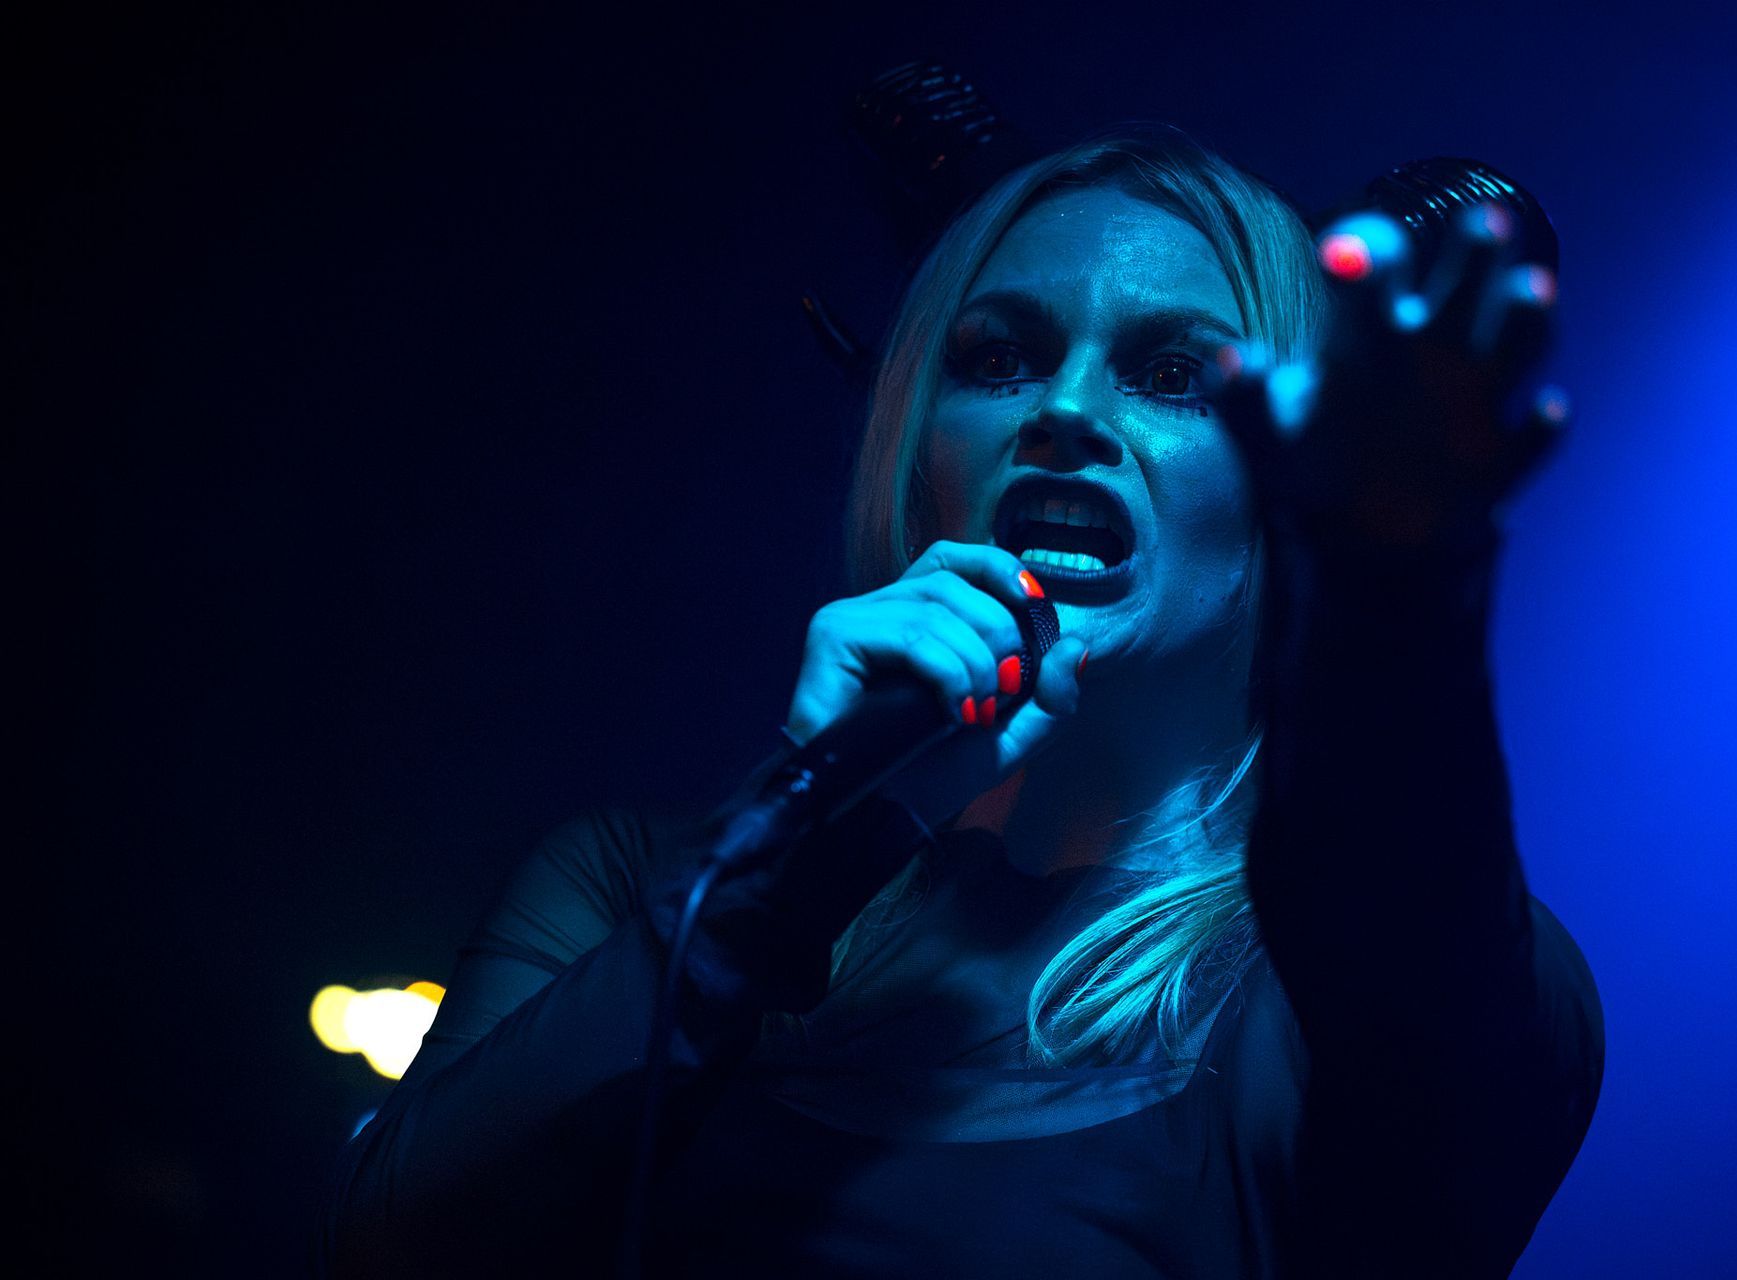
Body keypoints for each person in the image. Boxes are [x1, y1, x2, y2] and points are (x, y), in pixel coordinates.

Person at [321, 128, 1605, 1278]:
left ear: (1288, 476)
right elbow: (392, 1251)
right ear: (916, 441)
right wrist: (812, 834)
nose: (1064, 411)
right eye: (999, 357)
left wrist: (1393, 581)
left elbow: (1413, 960)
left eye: (1173, 373)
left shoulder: (1312, 1001)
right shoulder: (622, 885)